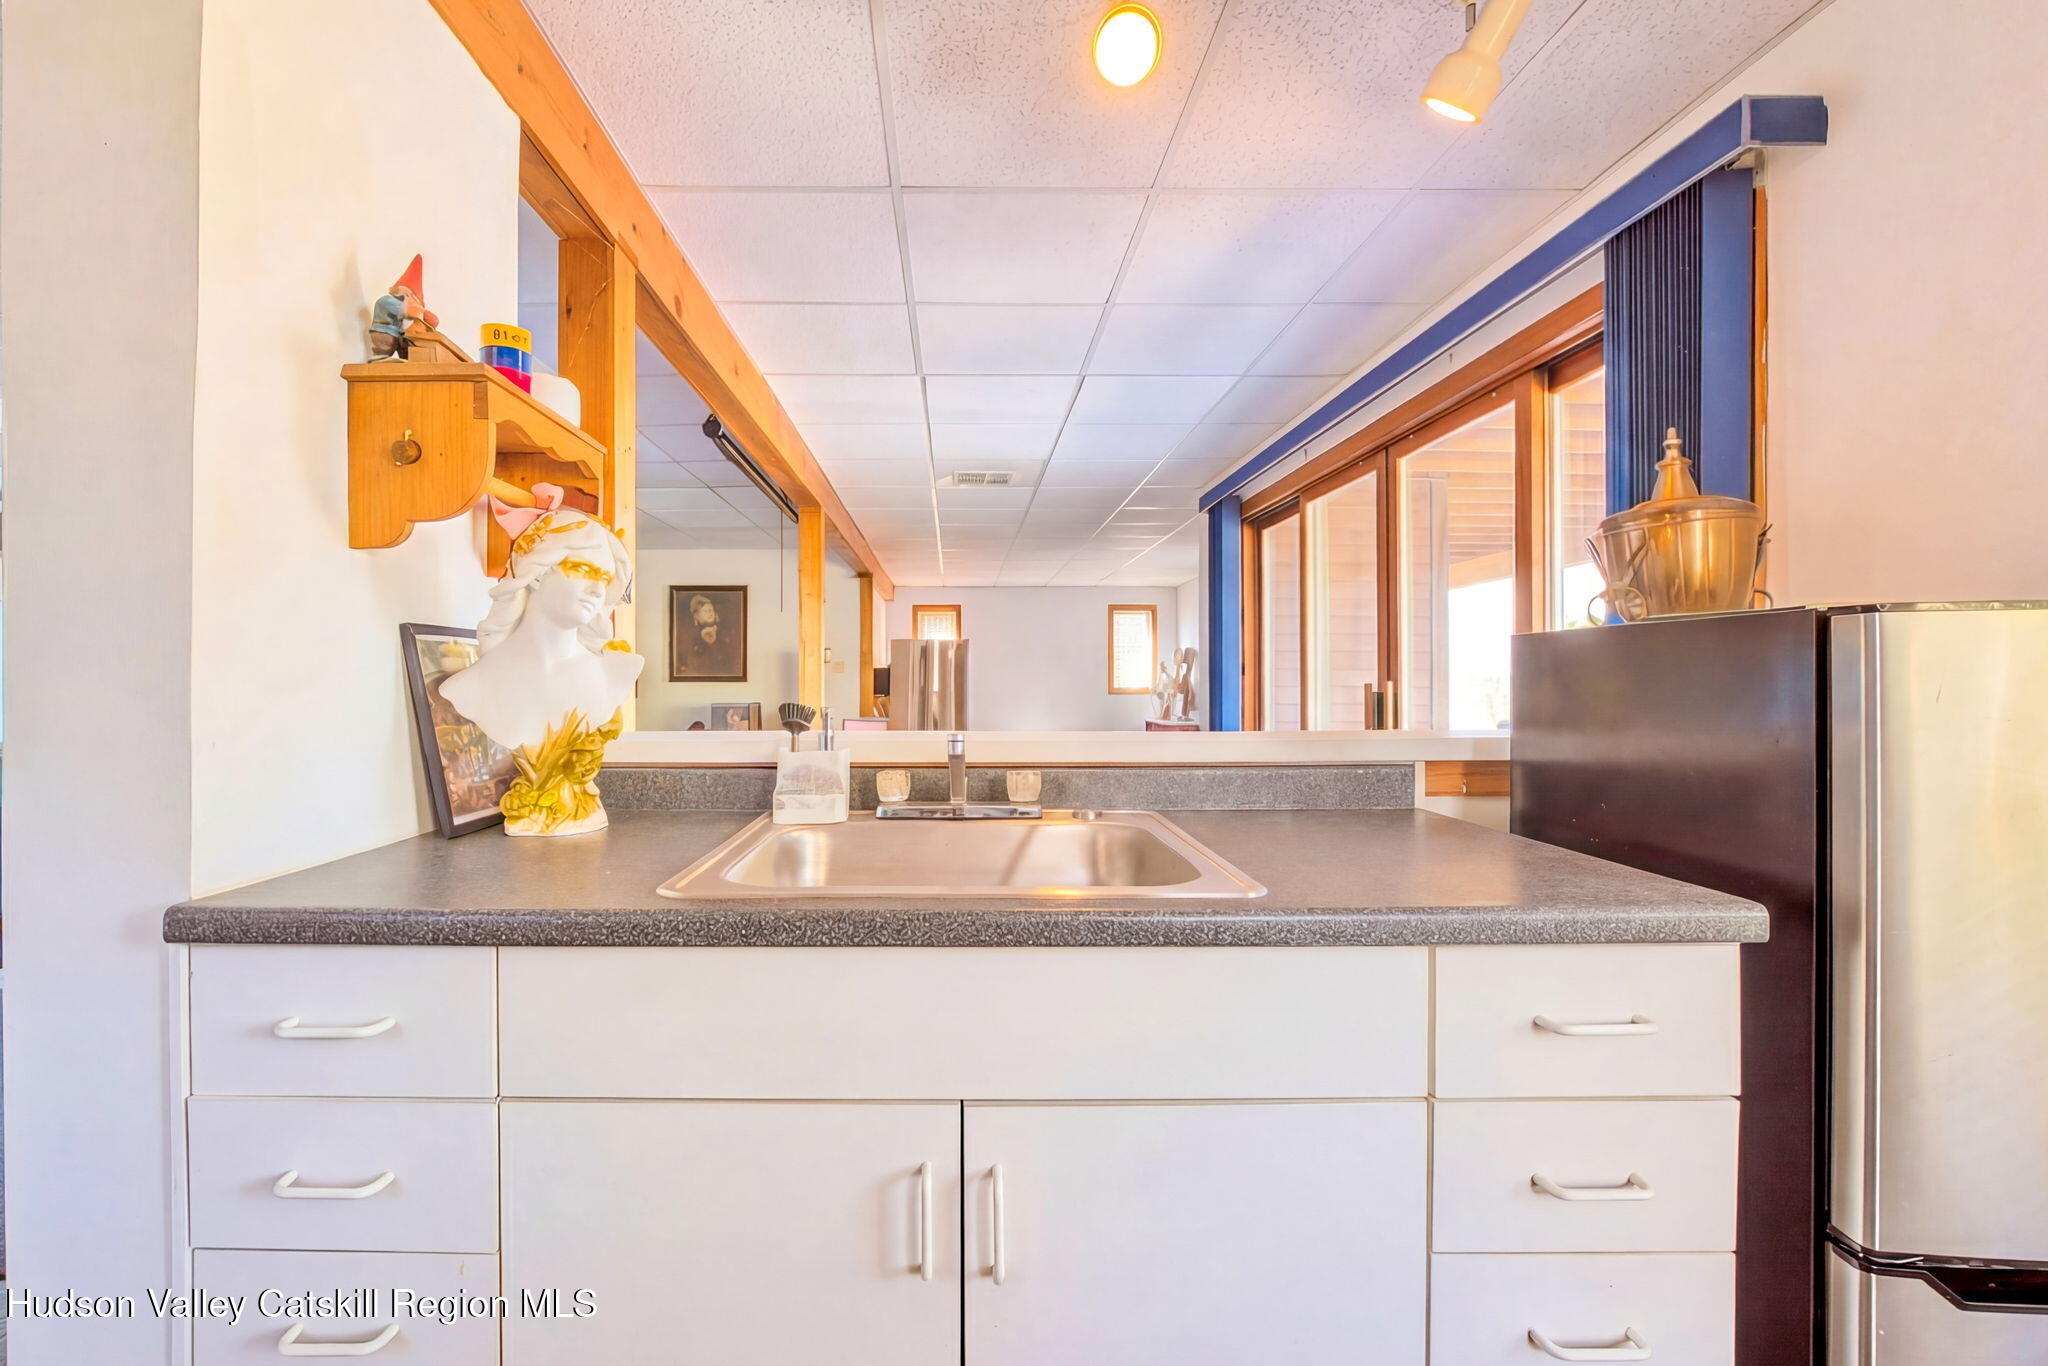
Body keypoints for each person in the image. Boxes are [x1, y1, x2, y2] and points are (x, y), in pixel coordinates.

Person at [440, 485, 641, 835]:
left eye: (604, 578)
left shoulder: (616, 670)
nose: (597, 590)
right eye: (582, 569)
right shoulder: (471, 685)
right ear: (536, 574)